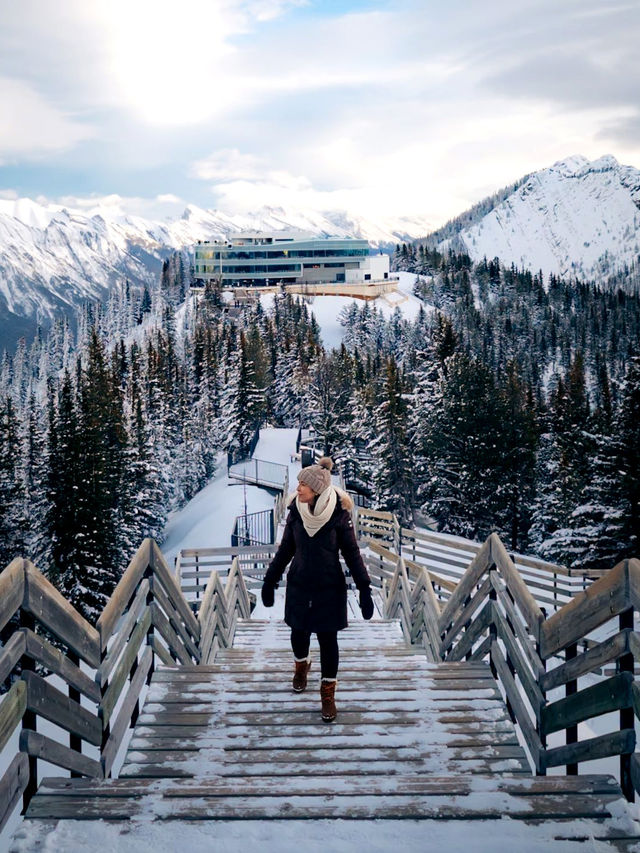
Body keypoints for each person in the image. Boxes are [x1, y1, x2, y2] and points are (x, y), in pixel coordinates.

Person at [261, 457, 374, 722]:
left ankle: (327, 693)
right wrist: (270, 580)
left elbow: (352, 553)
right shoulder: (295, 513)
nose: (297, 488)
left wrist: (364, 589)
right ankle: (302, 666)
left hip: (329, 588)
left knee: (327, 641)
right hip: (300, 585)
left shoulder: (339, 516)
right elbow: (286, 549)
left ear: (317, 491)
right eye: (299, 483)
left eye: (303, 485)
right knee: (298, 635)